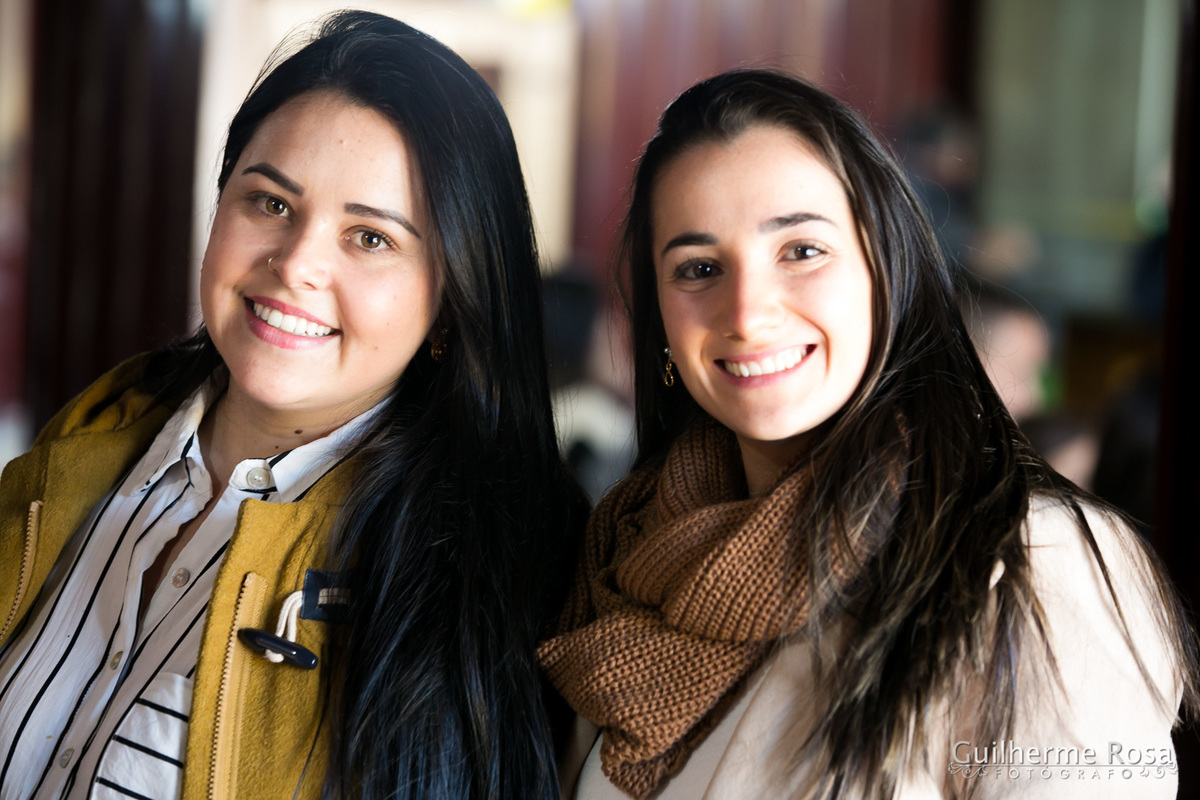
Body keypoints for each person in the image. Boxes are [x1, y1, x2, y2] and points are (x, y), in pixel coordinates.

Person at [538, 70, 1196, 799]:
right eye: (699, 268)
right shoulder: (627, 554)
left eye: (801, 251)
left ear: (888, 267)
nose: (748, 312)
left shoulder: (1031, 564)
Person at [0, 11, 585, 800]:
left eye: (371, 238)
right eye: (271, 203)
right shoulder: (82, 445)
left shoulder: (491, 580)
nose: (297, 264)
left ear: (452, 299)